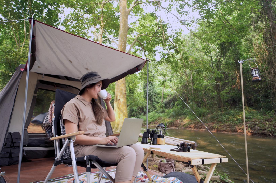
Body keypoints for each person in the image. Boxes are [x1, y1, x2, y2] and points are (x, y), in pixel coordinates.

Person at [62, 72, 144, 183]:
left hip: (101, 145)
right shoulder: (72, 105)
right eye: (98, 86)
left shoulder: (96, 105)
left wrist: (108, 102)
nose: (101, 90)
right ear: (88, 86)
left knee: (138, 149)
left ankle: (129, 181)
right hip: (82, 148)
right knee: (128, 152)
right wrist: (103, 140)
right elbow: (73, 137)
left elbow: (111, 118)